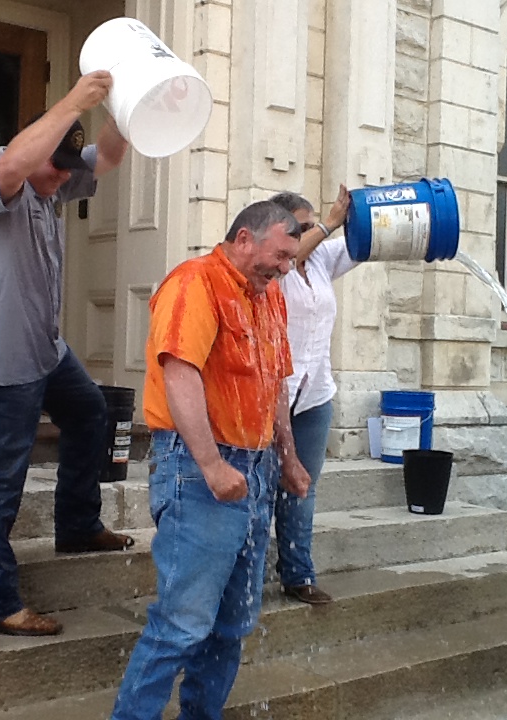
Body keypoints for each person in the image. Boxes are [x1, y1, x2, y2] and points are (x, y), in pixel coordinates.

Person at [0, 71, 132, 637]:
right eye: (55, 166)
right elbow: (15, 166)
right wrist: (74, 99)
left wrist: (128, 106)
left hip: (45, 349)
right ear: (33, 149)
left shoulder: (52, 185)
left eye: (67, 170)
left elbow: (108, 156)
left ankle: (77, 525)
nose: (62, 178)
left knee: (90, 413)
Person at [109, 201, 312, 719]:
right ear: (244, 238)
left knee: (232, 624)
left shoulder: (270, 296)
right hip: (197, 468)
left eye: (290, 259)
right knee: (181, 624)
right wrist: (212, 466)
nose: (285, 268)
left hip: (255, 468)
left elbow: (275, 383)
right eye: (280, 256)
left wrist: (288, 457)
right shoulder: (193, 283)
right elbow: (180, 375)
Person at [267, 186, 353, 605]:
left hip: (315, 392)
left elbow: (366, 245)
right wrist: (329, 224)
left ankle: (298, 573)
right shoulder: (274, 266)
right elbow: (290, 256)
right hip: (273, 393)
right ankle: (244, 575)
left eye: (312, 225)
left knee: (304, 485)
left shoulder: (320, 260)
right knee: (262, 484)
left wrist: (370, 210)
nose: (311, 234)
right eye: (300, 228)